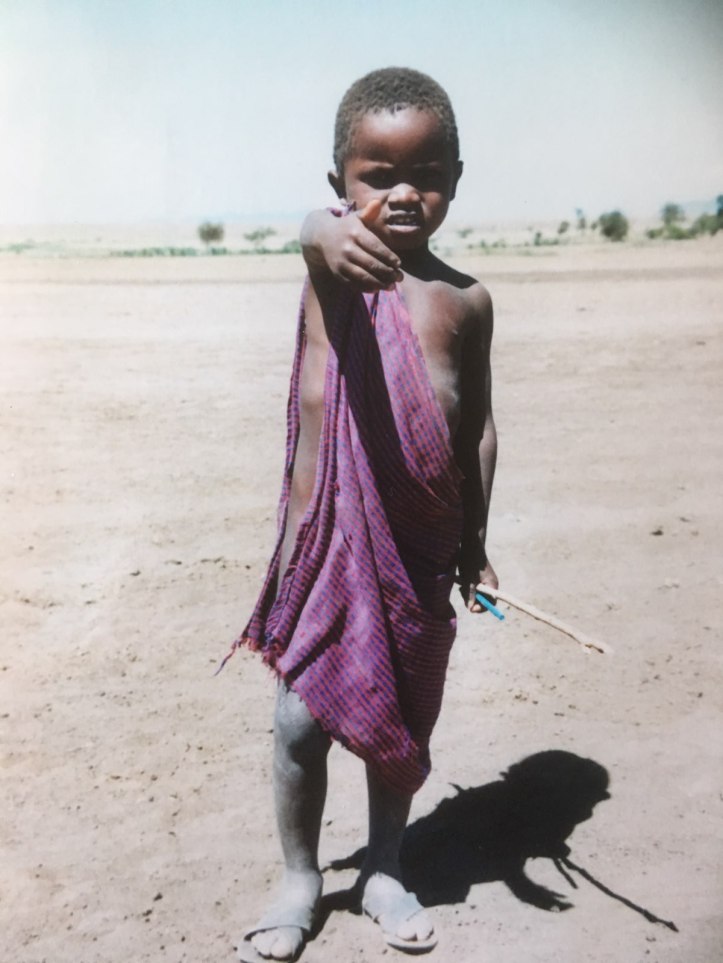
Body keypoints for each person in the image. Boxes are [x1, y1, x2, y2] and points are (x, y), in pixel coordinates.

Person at [234, 67, 498, 962]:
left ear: (456, 177)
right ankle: (300, 878)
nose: (401, 193)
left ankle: (385, 865)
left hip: (422, 543)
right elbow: (314, 240)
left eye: (424, 171)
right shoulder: (338, 272)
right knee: (299, 718)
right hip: (331, 536)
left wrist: (475, 541)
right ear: (339, 185)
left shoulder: (466, 299)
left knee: (402, 718)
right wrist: (322, 235)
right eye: (374, 175)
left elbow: (479, 429)